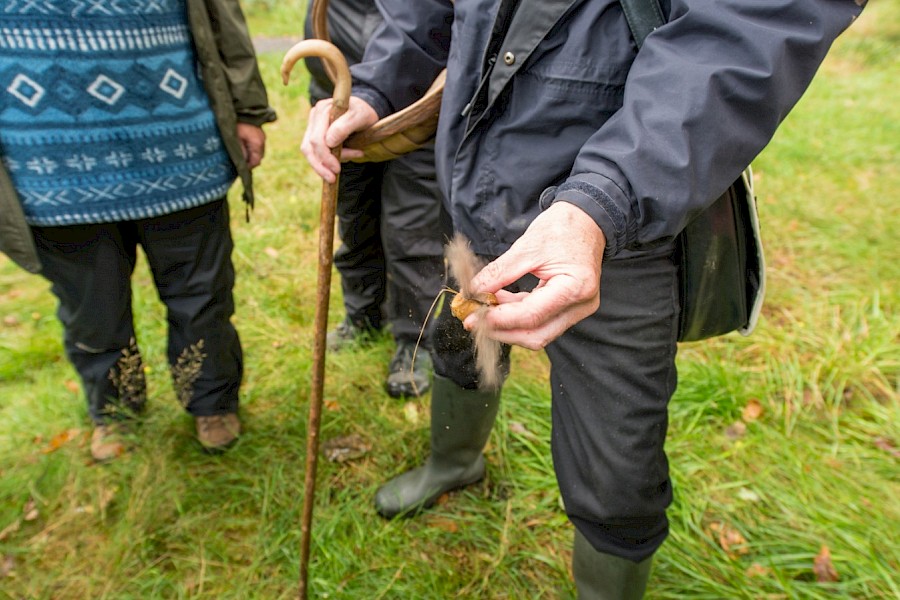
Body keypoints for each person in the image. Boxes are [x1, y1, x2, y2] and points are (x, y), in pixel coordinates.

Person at [300, 0, 865, 596]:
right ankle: (454, 462)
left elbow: (748, 31)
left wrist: (605, 199)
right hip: (473, 177)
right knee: (459, 343)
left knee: (617, 454)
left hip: (626, 224)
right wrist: (380, 87)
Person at [0, 0, 276, 461]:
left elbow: (220, 13)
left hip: (180, 146)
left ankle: (211, 403)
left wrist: (247, 108)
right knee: (93, 310)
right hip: (48, 164)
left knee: (202, 297)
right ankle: (115, 412)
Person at [302, 0, 446, 398]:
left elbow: (426, 17)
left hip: (419, 102)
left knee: (412, 230)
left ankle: (414, 342)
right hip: (339, 94)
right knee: (354, 215)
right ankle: (363, 314)